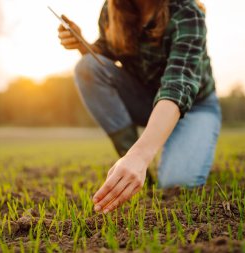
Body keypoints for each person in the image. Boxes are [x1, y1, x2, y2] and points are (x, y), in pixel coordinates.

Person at [57, 0, 222, 214]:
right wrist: (82, 45)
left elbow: (177, 85)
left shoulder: (187, 12)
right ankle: (131, 163)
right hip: (145, 99)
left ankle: (143, 156)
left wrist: (141, 155)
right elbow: (106, 55)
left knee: (177, 183)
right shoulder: (112, 9)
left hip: (195, 107)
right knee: (88, 67)